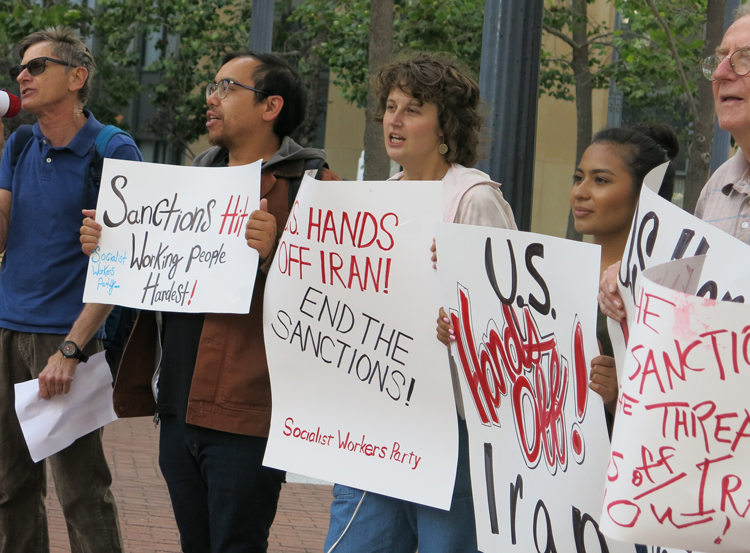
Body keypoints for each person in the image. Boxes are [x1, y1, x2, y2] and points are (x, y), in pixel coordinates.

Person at [81, 51, 339, 552]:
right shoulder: (190, 181)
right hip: (177, 408)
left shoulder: (313, 185)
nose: (210, 98)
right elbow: (142, 274)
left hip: (249, 414)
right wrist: (106, 243)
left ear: (271, 107)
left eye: (226, 87)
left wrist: (276, 252)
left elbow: (335, 298)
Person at [324, 52, 516, 553]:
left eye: (413, 108)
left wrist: (465, 322)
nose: (395, 119)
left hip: (449, 428)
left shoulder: (473, 198)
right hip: (381, 415)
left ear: (446, 124)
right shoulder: (381, 198)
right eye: (390, 106)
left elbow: (508, 319)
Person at [0, 26, 143, 553]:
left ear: (76, 77)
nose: (22, 75)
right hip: (7, 329)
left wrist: (72, 348)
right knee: (8, 487)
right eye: (20, 68)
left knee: (82, 490)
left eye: (36, 66)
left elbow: (124, 264)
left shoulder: (114, 150)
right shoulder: (16, 143)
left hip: (66, 341)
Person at [599, 2, 750, 320]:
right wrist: (633, 279)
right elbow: (697, 301)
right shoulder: (716, 187)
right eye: (720, 59)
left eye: (744, 58)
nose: (721, 73)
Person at [570, 124, 678, 416]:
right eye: (578, 178)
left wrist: (620, 394)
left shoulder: (664, 289)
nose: (580, 192)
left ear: (643, 196)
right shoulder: (558, 270)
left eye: (601, 180)